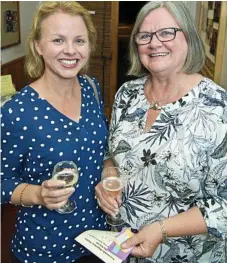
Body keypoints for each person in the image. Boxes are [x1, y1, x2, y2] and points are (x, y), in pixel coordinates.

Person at [95, 1, 227, 263]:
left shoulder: (217, 107)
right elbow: (111, 152)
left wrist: (161, 229)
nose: (155, 43)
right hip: (121, 247)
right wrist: (108, 173)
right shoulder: (127, 94)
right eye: (144, 36)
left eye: (167, 32)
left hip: (186, 255)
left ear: (188, 36)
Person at [1, 2, 109, 263]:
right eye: (58, 40)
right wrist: (39, 194)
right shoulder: (17, 112)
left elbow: (101, 151)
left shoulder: (92, 89)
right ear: (38, 45)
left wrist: (110, 172)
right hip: (46, 248)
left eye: (79, 40)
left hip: (98, 238)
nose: (70, 50)